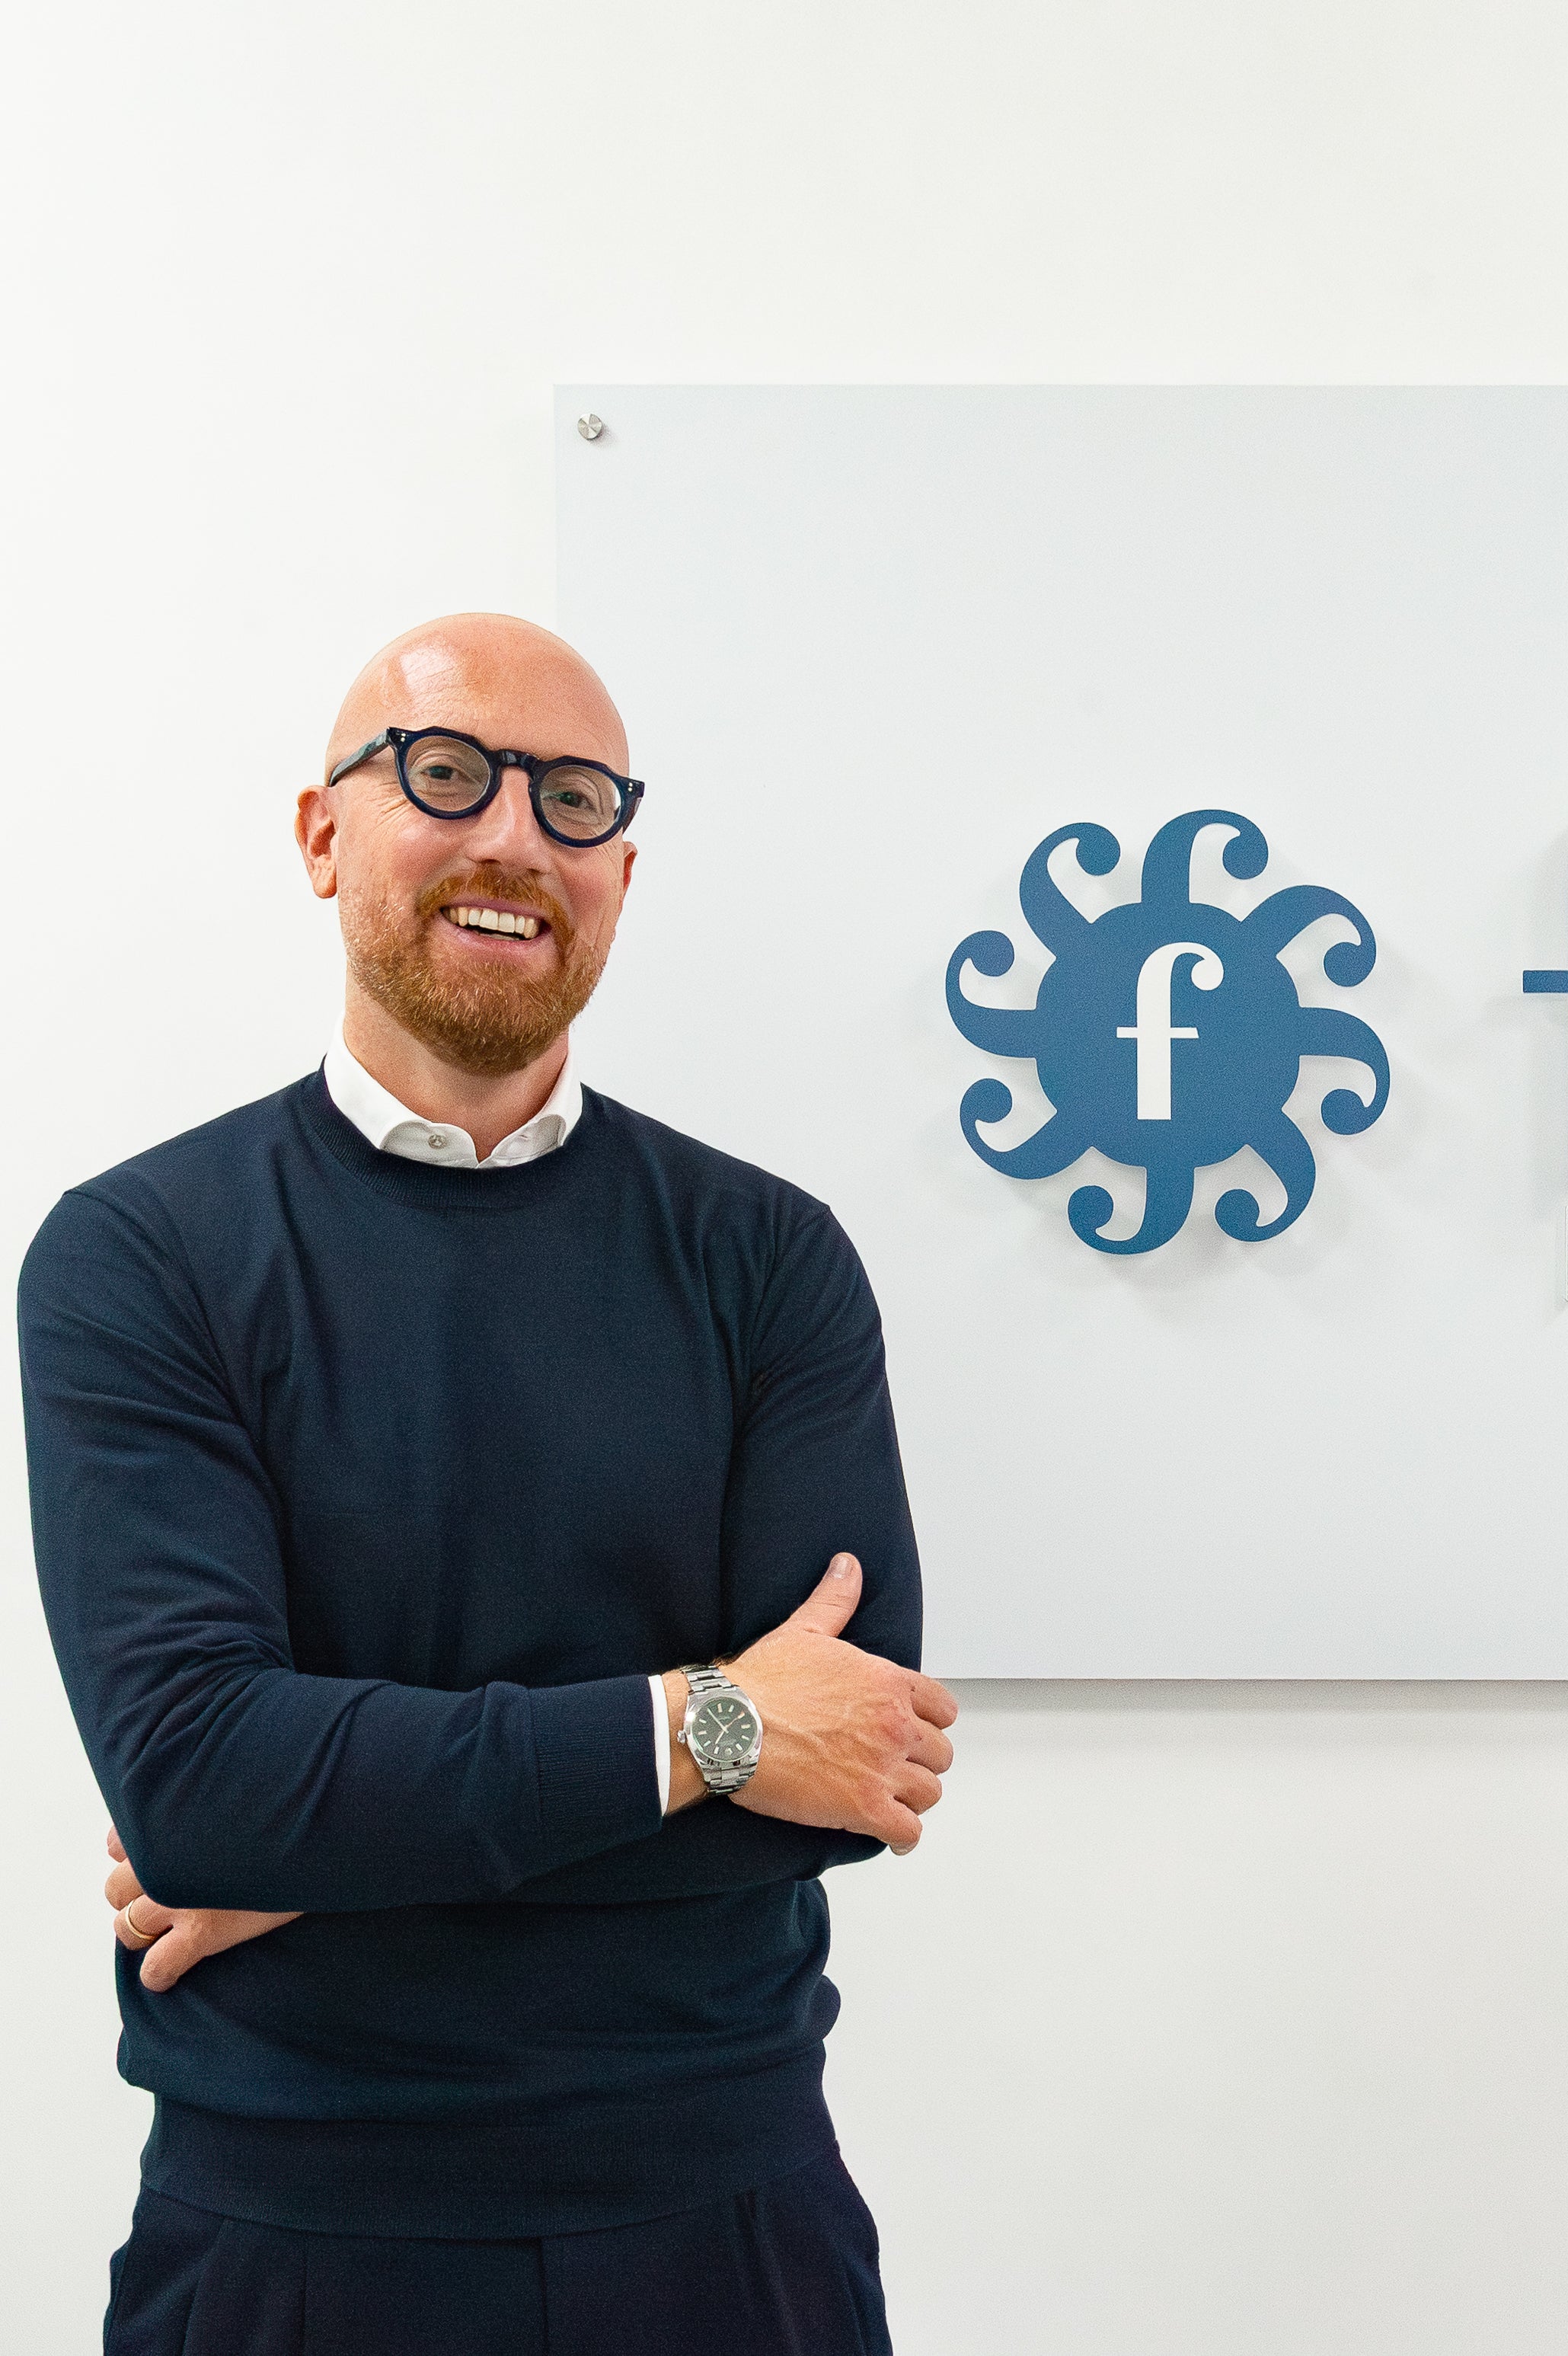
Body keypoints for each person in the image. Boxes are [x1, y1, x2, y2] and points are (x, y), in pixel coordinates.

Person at [19, 614, 954, 2354]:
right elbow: (204, 1780)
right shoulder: (140, 1255)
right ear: (323, 832)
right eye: (445, 774)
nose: (515, 835)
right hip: (299, 2236)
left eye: (575, 799)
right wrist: (714, 1724)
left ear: (621, 873)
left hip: (728, 2229)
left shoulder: (766, 1257)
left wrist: (327, 1847)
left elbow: (852, 1767)